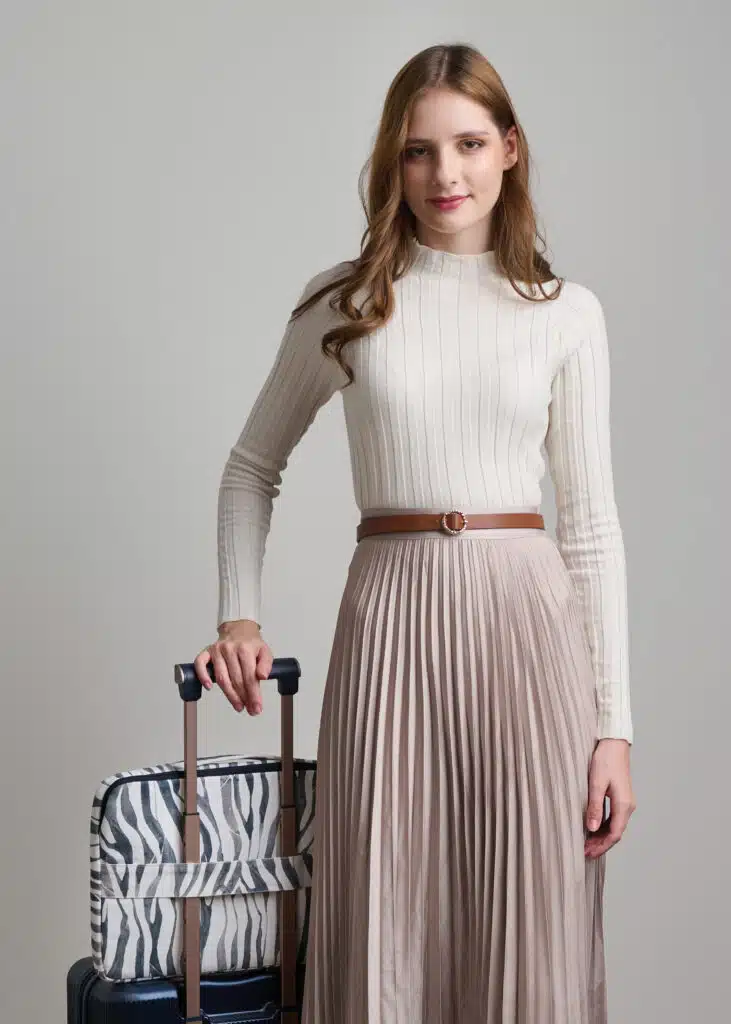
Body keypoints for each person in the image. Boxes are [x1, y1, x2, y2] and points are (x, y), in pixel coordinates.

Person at [194, 42, 636, 1024]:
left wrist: (613, 728)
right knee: (383, 912)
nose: (445, 174)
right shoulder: (346, 302)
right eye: (417, 150)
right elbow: (250, 467)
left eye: (469, 144)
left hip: (527, 634)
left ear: (509, 148)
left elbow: (591, 528)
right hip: (389, 624)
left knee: (530, 922)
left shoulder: (565, 314)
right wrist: (238, 617)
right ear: (390, 163)